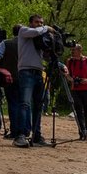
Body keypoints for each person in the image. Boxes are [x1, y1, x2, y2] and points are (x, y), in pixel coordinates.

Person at [15, 14, 58, 148]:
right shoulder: (24, 31)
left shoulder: (40, 38)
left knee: (38, 106)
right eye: (37, 22)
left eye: (41, 22)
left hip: (39, 72)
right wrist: (47, 28)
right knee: (25, 104)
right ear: (30, 23)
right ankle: (20, 135)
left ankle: (37, 136)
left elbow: (46, 56)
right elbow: (36, 31)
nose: (39, 24)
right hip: (26, 71)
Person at [63, 43, 87, 140]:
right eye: (71, 50)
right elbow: (67, 75)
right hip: (75, 89)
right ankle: (82, 131)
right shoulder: (70, 61)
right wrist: (71, 79)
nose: (72, 52)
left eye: (73, 50)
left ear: (79, 50)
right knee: (78, 111)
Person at [0, 25, 21, 139]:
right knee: (24, 104)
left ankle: (14, 131)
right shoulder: (29, 44)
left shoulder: (6, 43)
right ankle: (24, 130)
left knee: (13, 104)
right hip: (24, 77)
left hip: (9, 77)